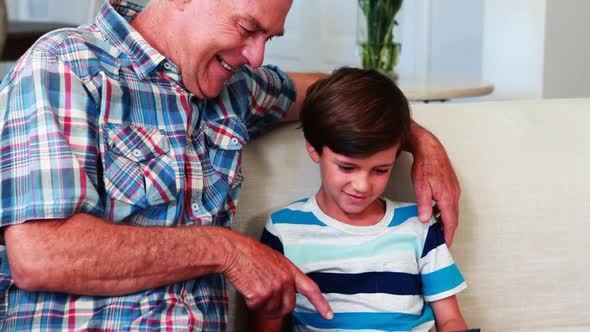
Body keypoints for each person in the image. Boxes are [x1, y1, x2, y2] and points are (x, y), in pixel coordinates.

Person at [0, 0, 460, 330]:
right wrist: (226, 250)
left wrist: (421, 140)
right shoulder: (65, 65)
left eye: (269, 38)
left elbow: (336, 95)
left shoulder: (234, 85)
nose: (258, 57)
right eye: (247, 29)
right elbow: (40, 255)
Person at [253, 68, 468, 332]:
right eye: (346, 167)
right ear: (313, 149)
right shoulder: (283, 230)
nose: (362, 186)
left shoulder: (419, 226)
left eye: (380, 170)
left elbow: (450, 320)